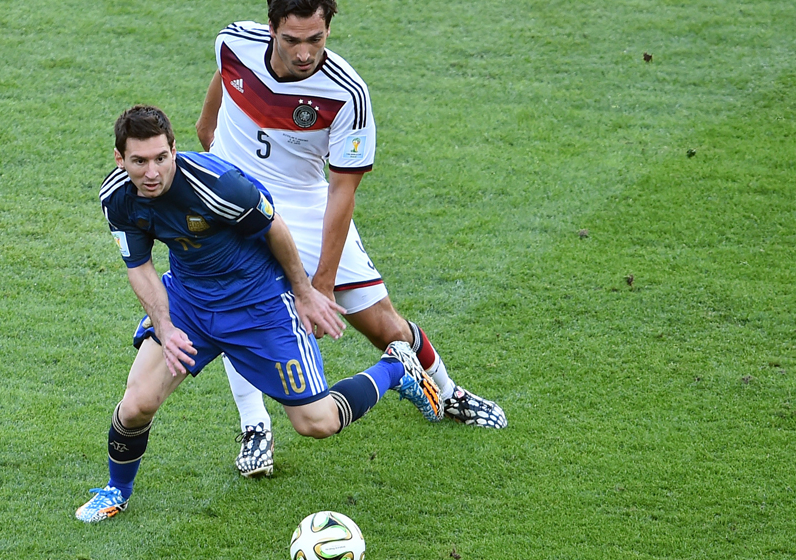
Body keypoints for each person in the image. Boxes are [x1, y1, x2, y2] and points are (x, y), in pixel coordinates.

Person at [75, 104, 444, 523]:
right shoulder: (117, 197)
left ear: (174, 149)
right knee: (137, 403)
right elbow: (139, 268)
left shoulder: (217, 184)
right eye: (139, 161)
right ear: (120, 159)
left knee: (316, 422)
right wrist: (165, 325)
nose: (153, 172)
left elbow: (276, 229)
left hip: (259, 306)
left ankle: (397, 367)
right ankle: (116, 491)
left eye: (162, 157)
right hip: (191, 303)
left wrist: (304, 293)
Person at [195, 0, 506, 478]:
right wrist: (212, 149)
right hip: (236, 205)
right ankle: (255, 428)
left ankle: (447, 393)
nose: (304, 53)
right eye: (292, 40)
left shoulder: (346, 94)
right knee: (242, 313)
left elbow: (342, 193)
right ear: (272, 28)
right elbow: (218, 91)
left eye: (315, 40)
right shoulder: (234, 40)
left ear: (328, 30)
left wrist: (320, 284)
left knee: (381, 324)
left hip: (304, 208)